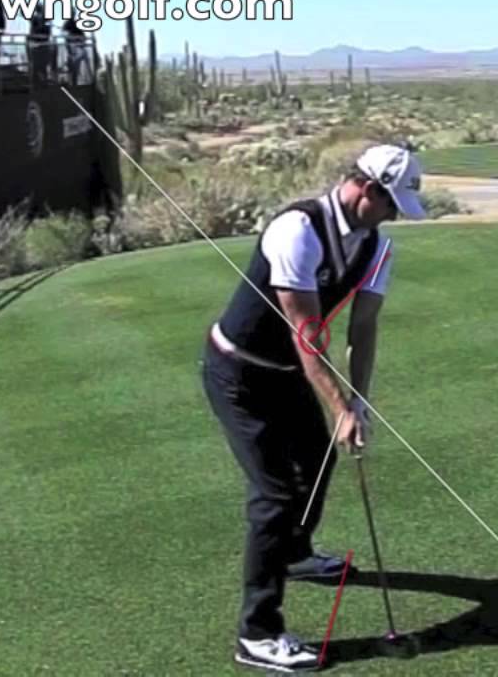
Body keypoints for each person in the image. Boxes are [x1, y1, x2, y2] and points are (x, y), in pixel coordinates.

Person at [200, 143, 426, 672]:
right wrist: (339, 407)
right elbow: (306, 335)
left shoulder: (377, 246)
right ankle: (257, 634)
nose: (393, 217)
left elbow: (362, 327)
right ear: (365, 188)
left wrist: (358, 403)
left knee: (317, 459)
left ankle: (297, 554)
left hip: (286, 372)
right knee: (275, 493)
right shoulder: (296, 230)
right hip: (238, 372)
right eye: (390, 204)